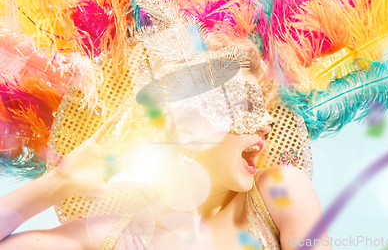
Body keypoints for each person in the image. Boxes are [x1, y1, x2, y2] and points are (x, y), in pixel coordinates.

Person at [0, 30, 332, 250]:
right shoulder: (112, 236)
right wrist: (58, 182)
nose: (267, 122)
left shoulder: (281, 192)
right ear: (184, 127)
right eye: (245, 105)